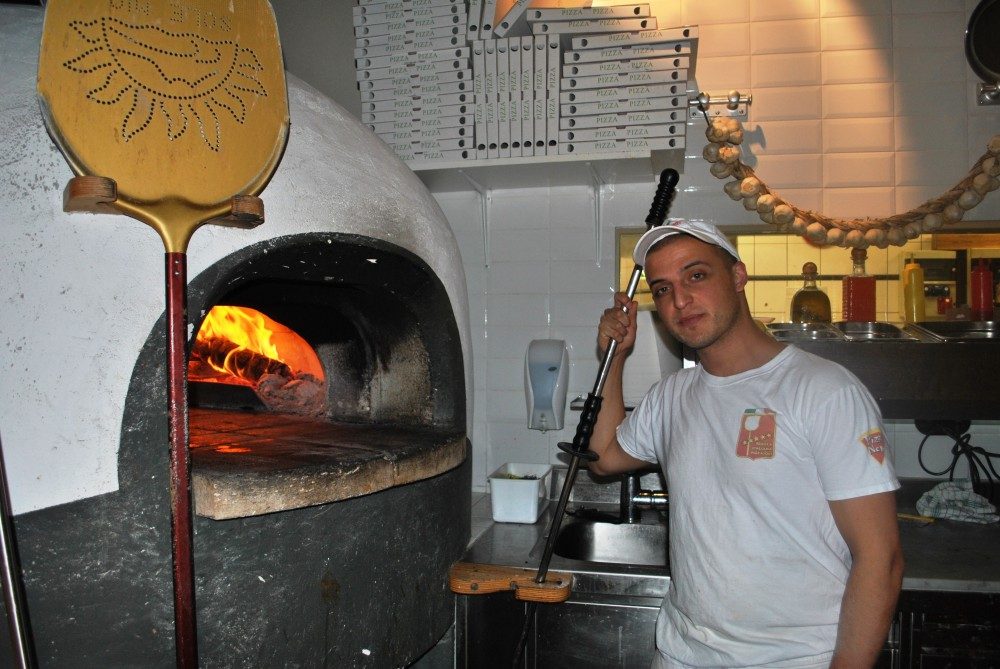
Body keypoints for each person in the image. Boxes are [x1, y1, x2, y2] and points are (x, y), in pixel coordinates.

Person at [589, 219, 904, 669]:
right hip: (682, 655)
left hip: (795, 659)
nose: (679, 300)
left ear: (738, 276)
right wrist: (613, 359)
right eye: (662, 289)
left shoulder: (824, 390)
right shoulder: (672, 395)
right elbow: (603, 459)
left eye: (696, 276)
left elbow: (881, 558)